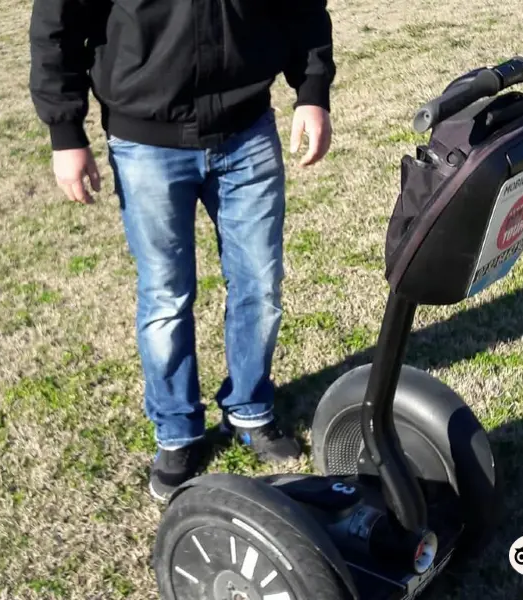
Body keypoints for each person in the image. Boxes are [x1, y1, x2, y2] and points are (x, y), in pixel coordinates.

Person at [28, 0, 336, 500]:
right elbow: (56, 28)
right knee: (166, 296)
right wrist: (66, 133)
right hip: (144, 139)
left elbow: (302, 7)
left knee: (260, 284)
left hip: (247, 130)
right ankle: (177, 430)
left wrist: (312, 91)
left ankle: (250, 409)